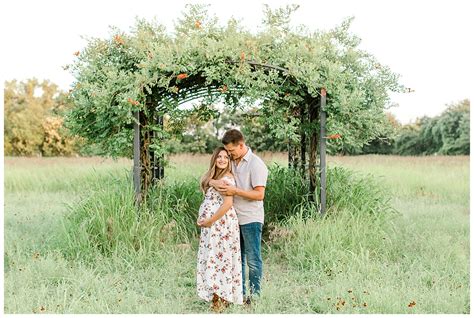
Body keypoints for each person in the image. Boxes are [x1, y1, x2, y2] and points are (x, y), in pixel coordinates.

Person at [209, 129, 268, 305]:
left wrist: (235, 191)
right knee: (237, 259)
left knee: (253, 259)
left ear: (241, 145)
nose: (229, 155)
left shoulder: (256, 165)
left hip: (251, 218)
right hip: (232, 219)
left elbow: (259, 195)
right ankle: (239, 295)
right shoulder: (232, 161)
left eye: (232, 151)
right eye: (227, 152)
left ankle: (255, 296)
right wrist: (213, 182)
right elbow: (212, 175)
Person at [196, 147, 243, 312]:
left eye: (226, 157)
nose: (222, 160)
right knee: (212, 258)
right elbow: (204, 180)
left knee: (220, 260)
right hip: (212, 226)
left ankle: (221, 298)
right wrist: (213, 181)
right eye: (219, 157)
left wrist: (210, 220)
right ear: (214, 159)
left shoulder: (228, 179)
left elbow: (228, 204)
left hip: (221, 224)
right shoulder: (213, 176)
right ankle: (216, 295)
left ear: (229, 161)